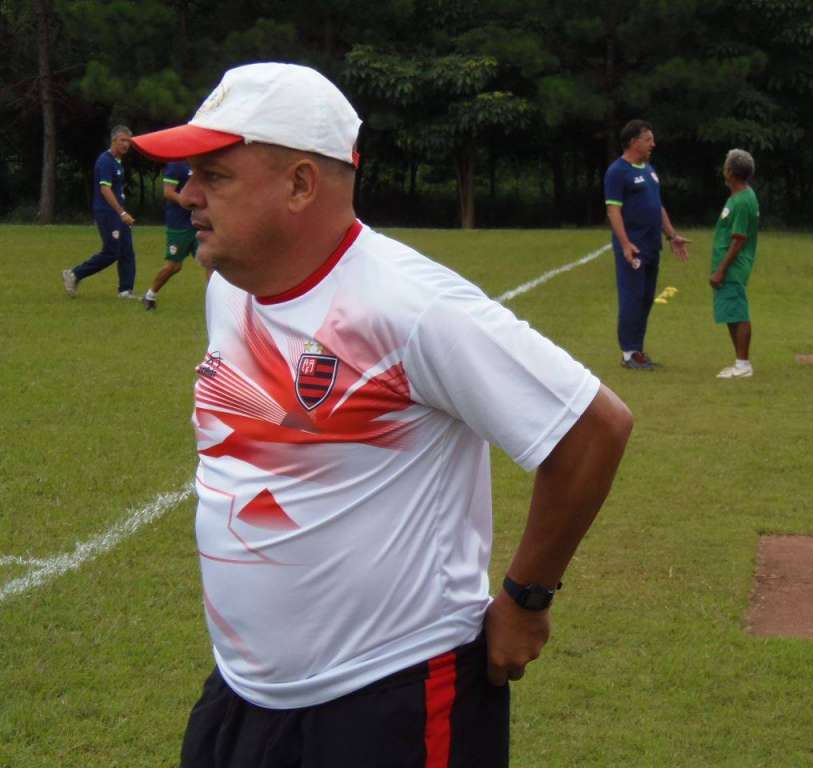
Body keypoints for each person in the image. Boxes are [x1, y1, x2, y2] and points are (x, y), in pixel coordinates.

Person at [131, 62, 633, 768]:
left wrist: (526, 598)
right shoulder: (231, 291)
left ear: (301, 184)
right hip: (246, 693)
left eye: (214, 176)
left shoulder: (409, 307)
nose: (187, 196)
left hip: (391, 698)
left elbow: (592, 428)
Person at [604, 119, 689, 370]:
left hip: (653, 246)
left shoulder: (649, 169)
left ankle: (638, 350)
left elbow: (657, 205)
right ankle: (629, 353)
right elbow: (613, 211)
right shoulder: (617, 171)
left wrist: (672, 235)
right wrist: (625, 243)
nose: (653, 144)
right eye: (648, 139)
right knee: (632, 297)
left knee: (645, 298)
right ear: (633, 141)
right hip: (634, 248)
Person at [62, 126, 139, 299]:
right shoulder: (105, 161)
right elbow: (105, 189)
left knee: (127, 250)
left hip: (118, 212)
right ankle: (74, 274)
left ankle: (125, 291)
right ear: (113, 141)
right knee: (112, 252)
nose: (126, 144)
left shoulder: (118, 161)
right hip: (108, 213)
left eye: (129, 141)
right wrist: (121, 213)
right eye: (122, 140)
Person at [707, 149, 759, 379]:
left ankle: (743, 364)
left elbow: (738, 240)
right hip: (728, 266)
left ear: (731, 172)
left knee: (738, 312)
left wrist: (721, 270)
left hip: (733, 267)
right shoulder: (738, 197)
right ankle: (739, 361)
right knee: (731, 312)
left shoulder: (743, 201)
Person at [142, 160, 206, 310]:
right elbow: (168, 192)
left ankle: (216, 302)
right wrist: (185, 201)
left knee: (211, 263)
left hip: (198, 222)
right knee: (174, 266)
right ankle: (150, 295)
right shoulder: (176, 164)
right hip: (179, 224)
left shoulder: (198, 163)